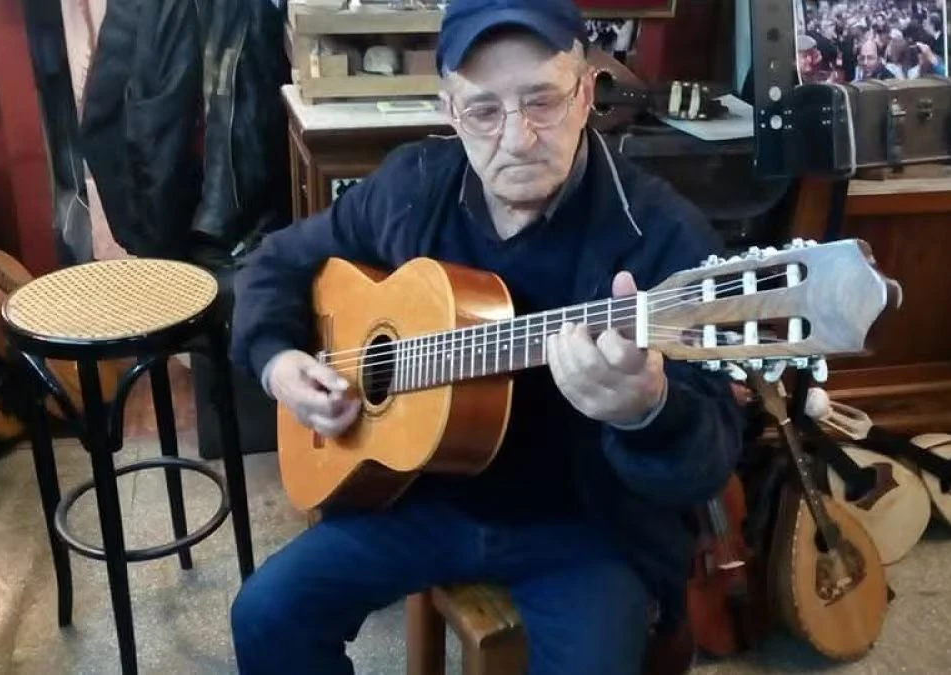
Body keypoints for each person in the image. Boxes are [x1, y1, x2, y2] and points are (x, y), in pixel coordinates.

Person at [227, 0, 744, 672]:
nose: (518, 135)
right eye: (484, 111)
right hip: (415, 497)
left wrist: (648, 410)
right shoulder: (414, 186)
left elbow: (708, 460)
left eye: (543, 101)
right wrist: (278, 362)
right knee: (266, 614)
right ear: (449, 111)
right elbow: (277, 261)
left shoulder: (664, 236)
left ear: (586, 94)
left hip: (584, 526)